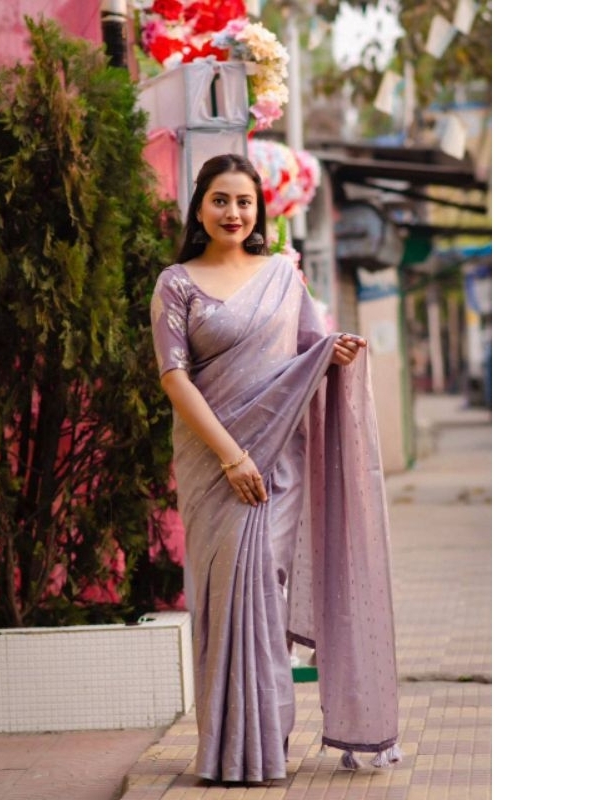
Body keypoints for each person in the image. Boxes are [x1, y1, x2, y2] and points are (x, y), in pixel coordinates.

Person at [150, 154, 400, 784]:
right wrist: (231, 456)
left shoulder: (284, 278)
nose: (233, 213)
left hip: (276, 465)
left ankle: (262, 746)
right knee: (223, 599)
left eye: (244, 201)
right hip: (216, 466)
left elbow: (312, 353)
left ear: (260, 209)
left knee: (263, 591)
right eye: (219, 200)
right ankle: (230, 750)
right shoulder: (176, 283)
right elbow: (173, 376)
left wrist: (336, 355)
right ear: (199, 207)